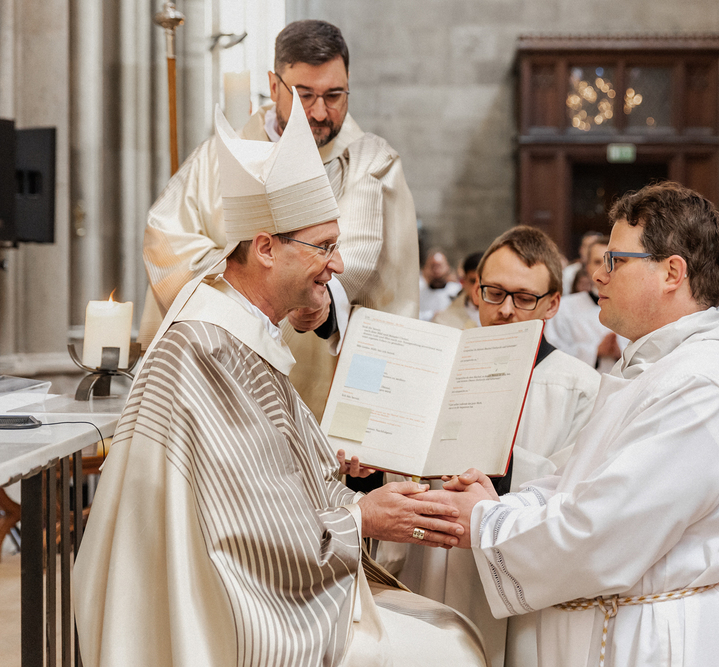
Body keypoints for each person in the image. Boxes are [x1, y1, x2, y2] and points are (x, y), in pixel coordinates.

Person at [73, 103, 485, 667]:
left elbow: (255, 480)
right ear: (265, 248)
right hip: (227, 613)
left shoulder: (244, 332)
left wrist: (329, 468)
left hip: (260, 586)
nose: (338, 265)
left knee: (447, 630)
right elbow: (243, 529)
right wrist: (364, 517)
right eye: (324, 246)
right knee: (450, 647)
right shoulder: (208, 346)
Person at [422, 182, 719, 667]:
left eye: (615, 260)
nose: (597, 275)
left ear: (672, 272)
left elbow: (602, 533)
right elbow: (577, 480)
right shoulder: (659, 364)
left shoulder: (701, 384)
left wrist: (486, 520)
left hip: (665, 641)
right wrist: (499, 500)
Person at [143, 20, 419, 420]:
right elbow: (167, 239)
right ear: (274, 87)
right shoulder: (218, 157)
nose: (320, 112)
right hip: (220, 376)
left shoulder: (371, 163)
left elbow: (361, 260)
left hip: (322, 389)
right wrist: (248, 300)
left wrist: (320, 304)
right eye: (304, 95)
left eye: (335, 95)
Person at [403, 226, 600, 667]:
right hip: (432, 563)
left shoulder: (581, 386)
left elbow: (571, 495)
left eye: (524, 298)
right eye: (493, 293)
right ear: (476, 291)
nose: (506, 310)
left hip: (515, 582)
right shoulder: (438, 367)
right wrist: (375, 467)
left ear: (553, 303)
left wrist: (497, 467)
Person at [547, 237, 626, 373]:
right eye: (597, 262)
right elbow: (553, 353)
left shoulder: (634, 308)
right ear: (587, 267)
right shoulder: (565, 308)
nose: (605, 268)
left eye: (611, 261)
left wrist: (623, 352)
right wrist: (594, 351)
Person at [432, 251, 482, 330]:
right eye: (473, 281)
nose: (478, 288)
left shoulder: (501, 313)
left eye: (484, 282)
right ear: (464, 281)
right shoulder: (444, 319)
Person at [419, 249, 461, 321]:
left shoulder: (457, 291)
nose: (436, 271)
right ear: (425, 268)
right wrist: (432, 315)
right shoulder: (418, 293)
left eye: (439, 266)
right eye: (432, 266)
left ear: (447, 267)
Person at [561, 230, 605, 294]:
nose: (590, 249)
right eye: (587, 246)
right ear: (580, 249)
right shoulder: (569, 272)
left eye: (594, 244)